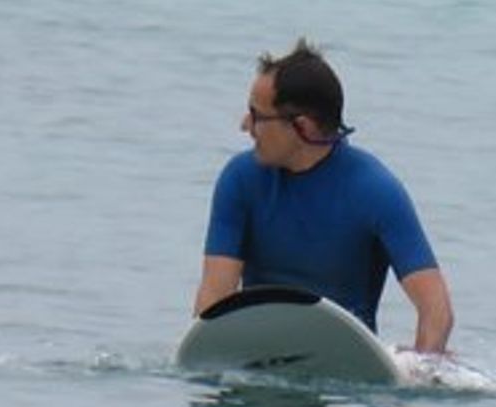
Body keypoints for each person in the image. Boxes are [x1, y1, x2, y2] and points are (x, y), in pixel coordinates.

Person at [194, 39, 454, 354]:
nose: (244, 125)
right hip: (258, 362)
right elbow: (212, 303)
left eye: (257, 115)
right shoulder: (240, 180)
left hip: (343, 377)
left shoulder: (375, 190)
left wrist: (423, 365)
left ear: (302, 126)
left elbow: (436, 310)